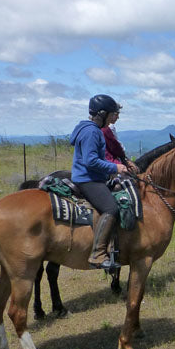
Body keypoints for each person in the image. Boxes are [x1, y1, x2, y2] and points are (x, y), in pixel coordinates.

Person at [70, 94, 127, 269]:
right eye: (110, 116)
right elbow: (90, 161)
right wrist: (115, 168)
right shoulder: (92, 132)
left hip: (90, 177)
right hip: (88, 180)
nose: (111, 121)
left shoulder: (87, 129)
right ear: (102, 114)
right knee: (111, 208)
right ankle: (98, 254)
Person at [101, 106, 139, 174]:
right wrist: (125, 159)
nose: (118, 117)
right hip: (109, 160)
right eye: (116, 114)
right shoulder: (107, 128)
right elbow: (115, 147)